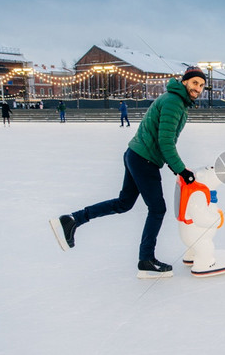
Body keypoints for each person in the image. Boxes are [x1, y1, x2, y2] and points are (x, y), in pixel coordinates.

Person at [49, 66, 207, 279]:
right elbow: (165, 141)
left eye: (202, 85)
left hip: (136, 154)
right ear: (185, 82)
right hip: (144, 159)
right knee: (157, 209)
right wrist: (181, 170)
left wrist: (178, 167)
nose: (198, 88)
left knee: (124, 203)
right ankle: (146, 260)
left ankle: (73, 220)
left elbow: (164, 140)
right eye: (195, 83)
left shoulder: (176, 100)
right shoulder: (174, 102)